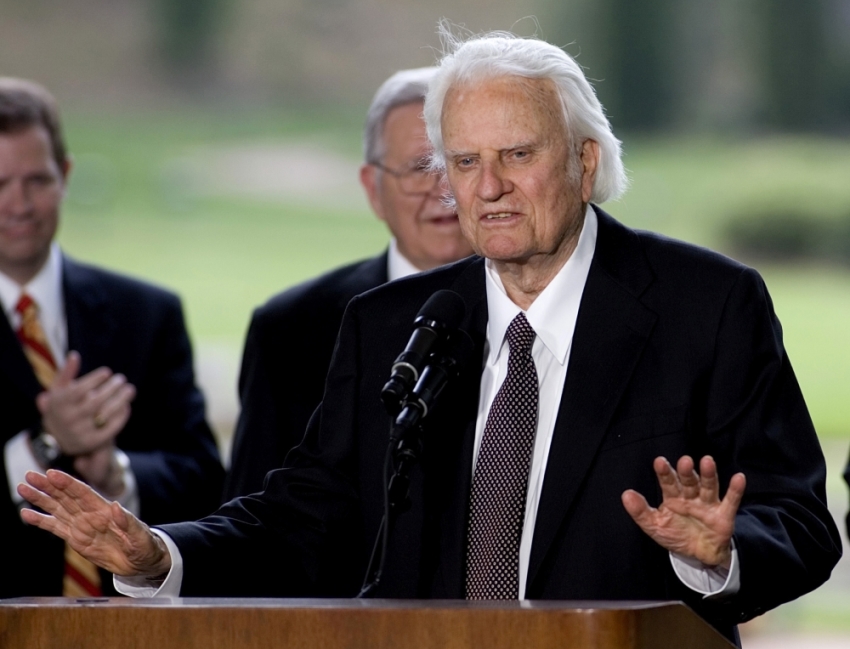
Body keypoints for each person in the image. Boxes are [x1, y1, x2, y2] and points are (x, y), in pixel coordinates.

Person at [18, 31, 841, 644]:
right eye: (464, 160)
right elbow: (305, 518)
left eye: (518, 155)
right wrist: (157, 555)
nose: (486, 189)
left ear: (586, 164)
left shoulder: (708, 304)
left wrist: (717, 555)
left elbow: (802, 520)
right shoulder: (392, 324)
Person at [0, 77, 224, 598]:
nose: (19, 204)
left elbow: (205, 480)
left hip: (128, 621)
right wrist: (46, 443)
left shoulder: (146, 313)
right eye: (0, 183)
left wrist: (115, 473)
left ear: (66, 176)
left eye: (36, 180)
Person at [224, 67, 473, 499]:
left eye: (462, 162)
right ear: (373, 189)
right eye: (421, 167)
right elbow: (253, 511)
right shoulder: (290, 331)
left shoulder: (539, 311)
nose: (444, 189)